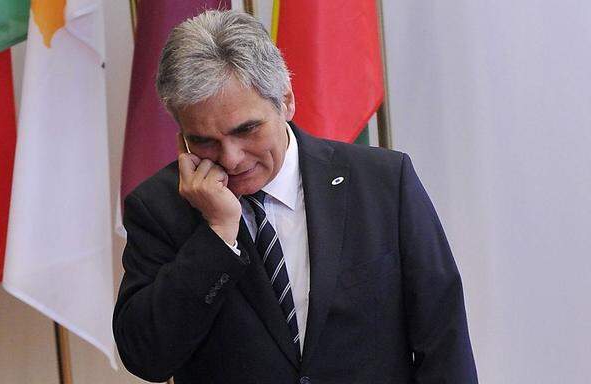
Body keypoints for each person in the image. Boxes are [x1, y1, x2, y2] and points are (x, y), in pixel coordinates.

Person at [113, 9, 478, 384]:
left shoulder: (383, 182)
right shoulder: (158, 208)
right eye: (204, 141)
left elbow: (444, 342)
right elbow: (147, 357)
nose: (232, 158)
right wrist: (217, 236)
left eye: (247, 129)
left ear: (285, 100)